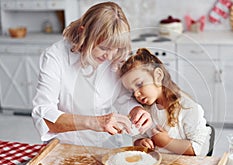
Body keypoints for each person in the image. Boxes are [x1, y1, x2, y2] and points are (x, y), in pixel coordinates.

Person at [31, 2, 152, 147]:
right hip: (66, 146)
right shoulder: (55, 56)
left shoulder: (115, 56)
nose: (110, 56)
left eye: (116, 48)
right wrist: (96, 122)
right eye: (103, 48)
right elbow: (43, 116)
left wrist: (136, 110)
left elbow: (121, 96)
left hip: (107, 144)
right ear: (84, 33)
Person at [120, 48, 212, 156]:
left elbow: (199, 149)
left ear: (158, 76)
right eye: (131, 91)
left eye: (139, 84)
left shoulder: (188, 107)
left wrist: (167, 142)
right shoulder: (144, 110)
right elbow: (137, 138)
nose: (136, 94)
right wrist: (141, 143)